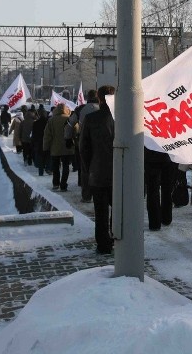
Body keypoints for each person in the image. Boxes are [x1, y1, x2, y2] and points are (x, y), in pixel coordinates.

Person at [79, 85, 116, 255]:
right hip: (120, 174)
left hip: (98, 172)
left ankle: (103, 245)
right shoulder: (123, 117)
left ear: (99, 99)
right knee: (119, 210)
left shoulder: (91, 119)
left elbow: (84, 148)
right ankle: (119, 240)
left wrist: (89, 168)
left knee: (101, 212)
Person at [73, 89, 102, 203]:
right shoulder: (103, 108)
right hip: (100, 142)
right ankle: (98, 193)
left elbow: (71, 123)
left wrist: (68, 138)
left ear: (87, 97)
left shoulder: (80, 109)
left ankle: (86, 196)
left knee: (85, 168)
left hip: (84, 141)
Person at [144, 147, 179, 231]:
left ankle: (154, 223)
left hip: (151, 157)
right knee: (167, 189)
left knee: (152, 191)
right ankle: (166, 218)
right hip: (169, 155)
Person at [44, 103, 75, 191]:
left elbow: (47, 135)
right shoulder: (69, 119)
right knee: (66, 166)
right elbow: (76, 131)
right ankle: (63, 185)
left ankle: (55, 184)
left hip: (55, 148)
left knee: (55, 166)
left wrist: (45, 147)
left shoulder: (51, 120)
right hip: (67, 147)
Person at [31, 106, 48, 175]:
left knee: (40, 156)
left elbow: (34, 133)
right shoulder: (48, 122)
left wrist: (33, 142)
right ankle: (48, 168)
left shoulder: (35, 123)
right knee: (47, 155)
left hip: (38, 142)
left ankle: (41, 172)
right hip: (47, 141)